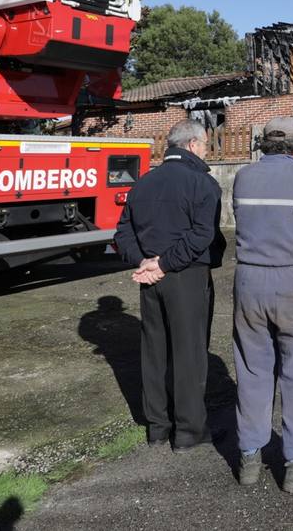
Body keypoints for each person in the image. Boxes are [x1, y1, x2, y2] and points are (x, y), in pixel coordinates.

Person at [230, 116, 293, 493]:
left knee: (252, 370)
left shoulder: (243, 177)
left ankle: (249, 459)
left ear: (262, 145)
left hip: (249, 282)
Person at [113, 119, 224, 450]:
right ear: (191, 145)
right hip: (185, 275)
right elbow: (203, 235)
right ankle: (188, 431)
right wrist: (163, 264)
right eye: (205, 144)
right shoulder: (202, 184)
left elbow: (122, 233)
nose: (206, 149)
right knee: (189, 352)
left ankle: (158, 427)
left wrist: (144, 262)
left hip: (151, 279)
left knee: (154, 350)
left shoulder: (142, 183)